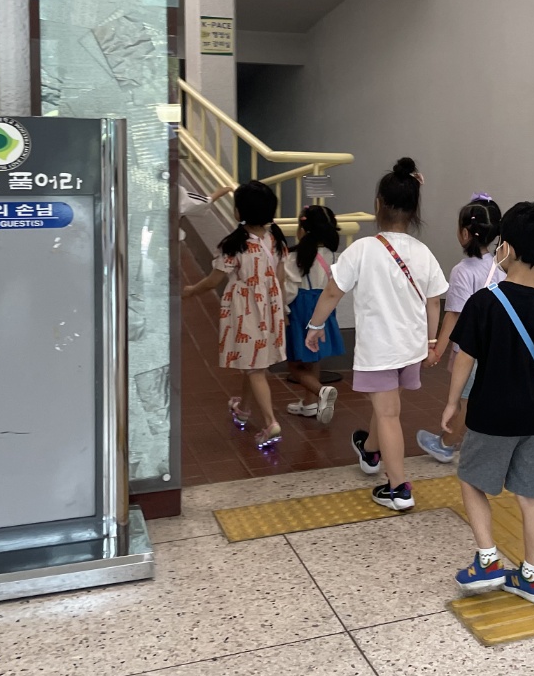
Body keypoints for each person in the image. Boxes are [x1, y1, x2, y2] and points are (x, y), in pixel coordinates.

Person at [445, 201, 534, 604]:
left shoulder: (484, 302)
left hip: (490, 415)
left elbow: (464, 359)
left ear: (505, 248)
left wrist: (452, 403)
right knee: (531, 496)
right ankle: (533, 577)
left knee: (472, 481)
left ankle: (488, 560)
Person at [304, 158, 447, 511]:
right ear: (414, 210)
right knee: (387, 404)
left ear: (378, 205)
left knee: (388, 414)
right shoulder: (424, 253)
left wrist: (315, 326)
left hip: (380, 350)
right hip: (410, 348)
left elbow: (332, 292)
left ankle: (398, 489)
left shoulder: (362, 250)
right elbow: (434, 302)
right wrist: (431, 343)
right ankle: (369, 450)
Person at [182, 180, 289, 449]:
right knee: (254, 363)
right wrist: (283, 309)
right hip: (271, 307)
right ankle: (242, 409)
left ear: (239, 212)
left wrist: (191, 291)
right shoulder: (276, 239)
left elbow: (213, 280)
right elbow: (280, 278)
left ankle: (270, 423)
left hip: (246, 311)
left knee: (254, 368)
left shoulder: (233, 245)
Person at [418, 194, 505, 463]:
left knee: (467, 400)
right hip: (497, 347)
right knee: (481, 397)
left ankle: (446, 444)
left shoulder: (462, 271)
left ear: (465, 233)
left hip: (471, 350)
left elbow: (454, 316)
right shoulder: (503, 267)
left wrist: (436, 350)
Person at [283, 203, 342, 423]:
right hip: (323, 307)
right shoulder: (334, 256)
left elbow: (288, 291)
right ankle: (309, 404)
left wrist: (282, 310)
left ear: (303, 229)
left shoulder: (294, 257)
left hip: (301, 309)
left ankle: (320, 392)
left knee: (294, 364)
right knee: (313, 356)